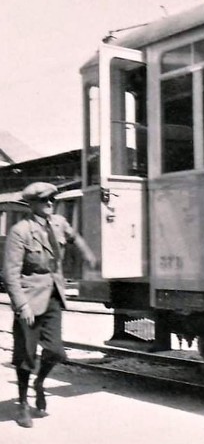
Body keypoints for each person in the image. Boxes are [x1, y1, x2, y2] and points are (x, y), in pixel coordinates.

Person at [2, 182, 96, 428]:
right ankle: (23, 403)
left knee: (56, 352)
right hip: (29, 299)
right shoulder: (20, 231)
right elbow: (10, 274)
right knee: (26, 356)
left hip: (54, 295)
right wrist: (21, 306)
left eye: (52, 201)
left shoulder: (58, 224)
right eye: (45, 201)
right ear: (32, 204)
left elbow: (75, 238)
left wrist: (89, 256)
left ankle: (39, 383)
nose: (50, 205)